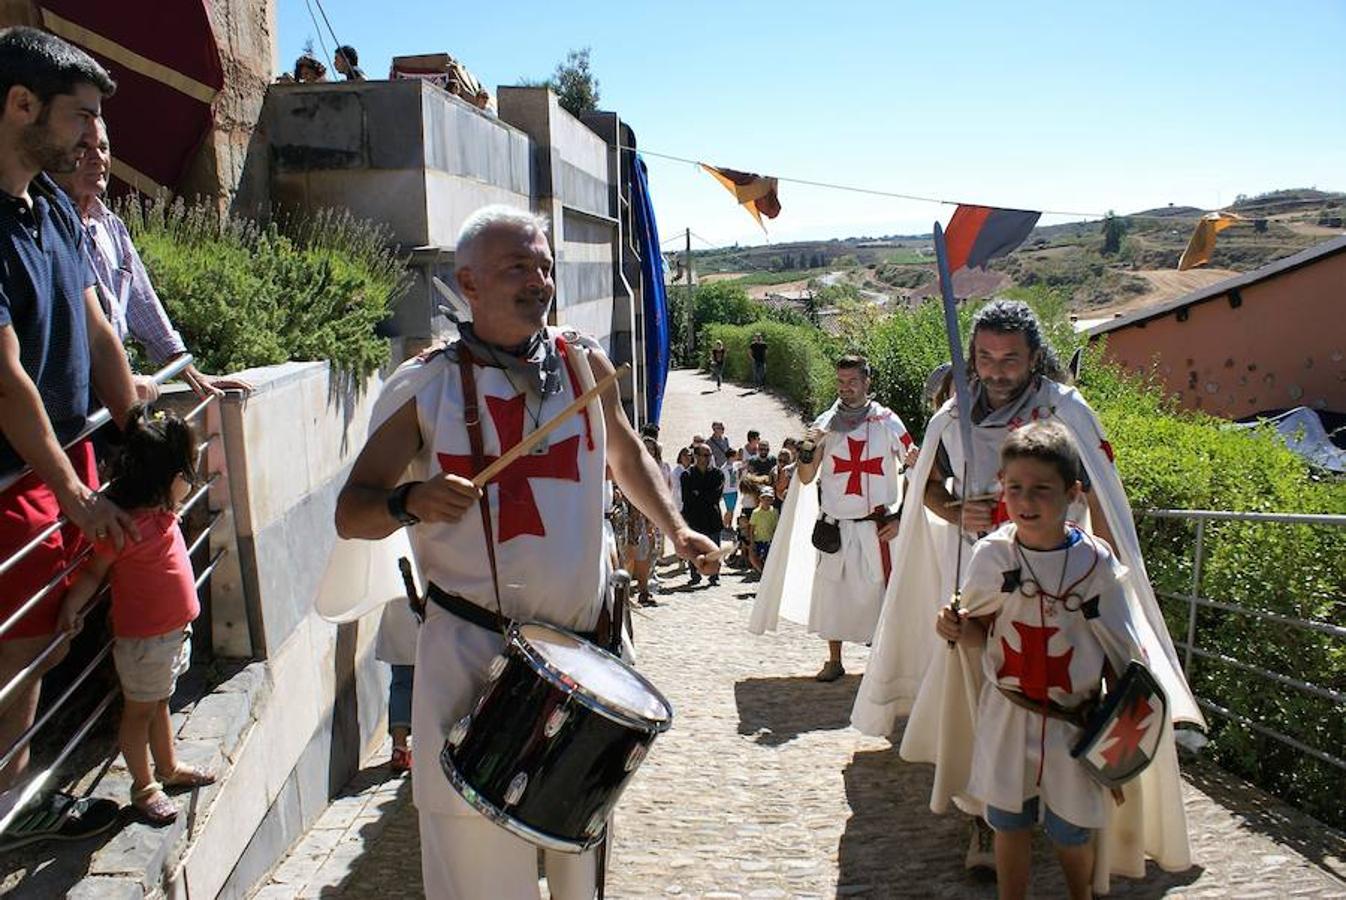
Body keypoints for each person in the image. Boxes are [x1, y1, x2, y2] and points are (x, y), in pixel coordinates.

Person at [333, 205, 715, 898]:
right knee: (479, 870)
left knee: (580, 857)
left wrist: (675, 527)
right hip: (472, 654)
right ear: (468, 282)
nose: (539, 280)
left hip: (585, 651)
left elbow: (625, 455)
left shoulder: (582, 364)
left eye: (544, 266)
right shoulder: (427, 387)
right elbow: (351, 514)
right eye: (519, 268)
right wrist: (408, 503)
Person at [852, 299, 1203, 875]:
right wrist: (956, 509)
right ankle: (986, 822)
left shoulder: (1066, 411)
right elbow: (928, 490)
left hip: (1060, 577)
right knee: (983, 695)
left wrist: (1113, 569)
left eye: (1009, 358)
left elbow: (1096, 492)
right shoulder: (952, 414)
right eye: (985, 357)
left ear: (1034, 356)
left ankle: (1075, 819)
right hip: (979, 573)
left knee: (1067, 693)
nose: (995, 370)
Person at [933, 422, 1192, 898]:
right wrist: (952, 627)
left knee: (1072, 830)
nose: (1026, 501)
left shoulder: (1098, 566)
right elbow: (976, 635)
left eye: (1041, 489)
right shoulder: (992, 557)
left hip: (1075, 724)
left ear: (1073, 493)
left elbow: (1124, 656)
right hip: (1008, 715)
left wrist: (1119, 729)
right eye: (1015, 488)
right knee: (1009, 821)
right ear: (1001, 487)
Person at [0, 26, 135, 846]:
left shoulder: (48, 202)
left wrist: (140, 430)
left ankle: (11, 796)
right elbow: (4, 380)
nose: (93, 138)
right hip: (16, 478)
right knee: (18, 655)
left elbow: (96, 332)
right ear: (20, 104)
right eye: (80, 117)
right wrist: (77, 495)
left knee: (45, 646)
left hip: (59, 463)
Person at [56, 405, 215, 824]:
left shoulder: (163, 515)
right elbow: (93, 573)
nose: (191, 482)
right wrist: (72, 604)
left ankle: (168, 766)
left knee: (160, 702)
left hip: (172, 634)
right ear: (167, 478)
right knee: (139, 711)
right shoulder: (127, 527)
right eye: (187, 473)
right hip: (144, 642)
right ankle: (144, 787)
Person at [51, 117, 250, 399]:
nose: (98, 158)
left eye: (104, 148)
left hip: (113, 388)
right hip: (71, 393)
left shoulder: (110, 225)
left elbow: (141, 301)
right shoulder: (47, 226)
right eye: (83, 147)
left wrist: (185, 367)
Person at [749, 354, 912, 683]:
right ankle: (834, 660)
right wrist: (807, 454)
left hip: (876, 526)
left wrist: (902, 516)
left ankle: (883, 662)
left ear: (867, 382)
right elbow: (807, 478)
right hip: (836, 524)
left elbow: (915, 466)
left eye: (853, 382)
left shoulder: (887, 421)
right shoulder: (825, 424)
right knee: (831, 593)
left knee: (882, 594)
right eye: (841, 382)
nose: (846, 388)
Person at [680, 444, 724, 587]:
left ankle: (714, 575)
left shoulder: (718, 474)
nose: (707, 458)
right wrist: (702, 495)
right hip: (694, 518)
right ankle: (695, 574)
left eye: (709, 455)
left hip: (712, 517)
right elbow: (687, 499)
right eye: (704, 455)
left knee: (714, 548)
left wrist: (698, 493)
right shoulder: (687, 475)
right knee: (695, 548)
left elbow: (715, 496)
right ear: (696, 456)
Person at [747, 485, 778, 573]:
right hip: (758, 539)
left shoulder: (774, 512)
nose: (766, 501)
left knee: (768, 557)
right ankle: (761, 571)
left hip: (769, 539)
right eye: (764, 499)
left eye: (769, 499)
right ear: (761, 499)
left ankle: (766, 572)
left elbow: (775, 527)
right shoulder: (756, 512)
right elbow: (752, 528)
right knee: (755, 557)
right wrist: (752, 542)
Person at [720, 447, 741, 529]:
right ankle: (724, 524)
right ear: (731, 456)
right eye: (736, 455)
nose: (737, 456)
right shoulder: (723, 468)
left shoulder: (735, 465)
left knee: (732, 509)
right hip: (727, 491)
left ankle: (730, 525)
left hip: (734, 490)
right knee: (729, 510)